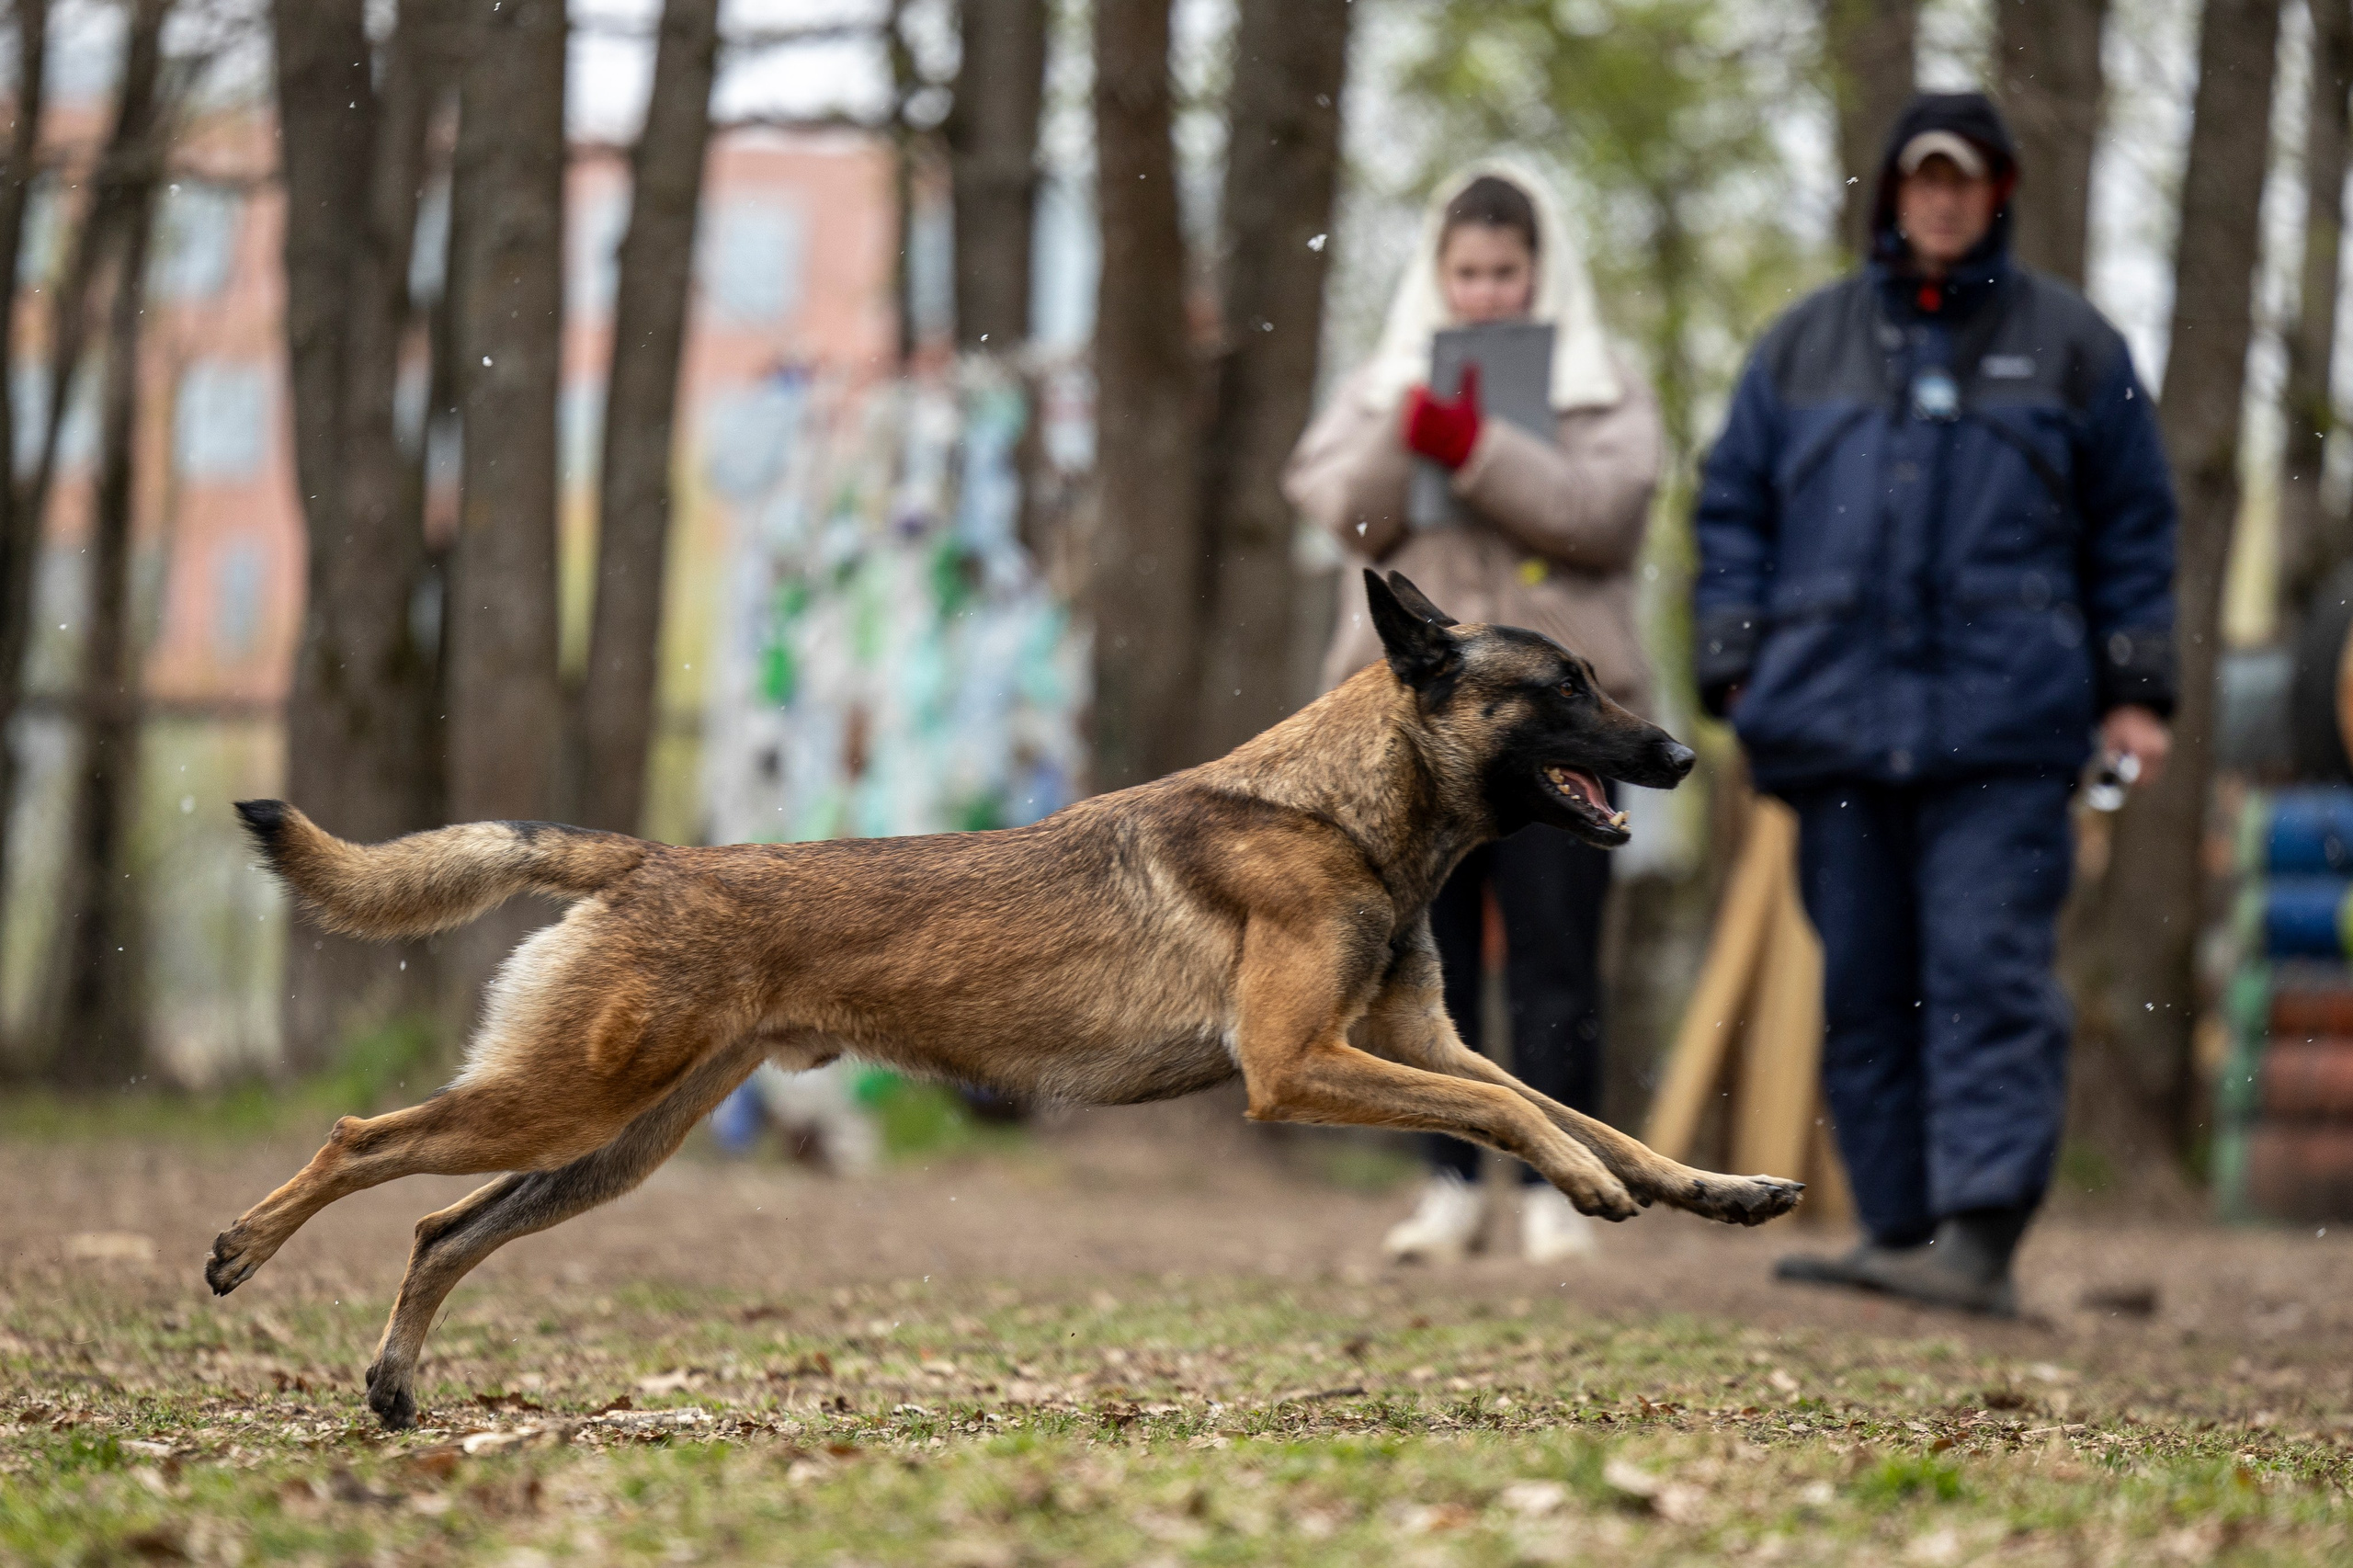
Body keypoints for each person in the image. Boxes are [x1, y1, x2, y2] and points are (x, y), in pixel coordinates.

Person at [1692, 94, 2177, 1315]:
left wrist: (2137, 692)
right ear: (1893, 193)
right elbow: (1732, 509)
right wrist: (1734, 659)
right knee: (1864, 982)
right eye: (1924, 179)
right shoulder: (1803, 344)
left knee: (1986, 973)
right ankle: (1898, 1228)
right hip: (1831, 722)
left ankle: (1980, 1234)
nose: (1944, 199)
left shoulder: (2073, 346)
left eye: (1966, 179)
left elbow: (2136, 529)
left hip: (2006, 727)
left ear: (1999, 192)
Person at [1284, 160, 1664, 1266]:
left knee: (1555, 954)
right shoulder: (1383, 385)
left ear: (1538, 273)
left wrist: (1479, 448)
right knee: (1417, 962)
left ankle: (1559, 1187)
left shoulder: (1603, 387)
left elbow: (1606, 516)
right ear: (1438, 275)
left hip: (1561, 728)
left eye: (1506, 271)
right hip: (1419, 735)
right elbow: (1334, 511)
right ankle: (1448, 1183)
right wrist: (1411, 429)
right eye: (1468, 272)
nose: (1487, 292)